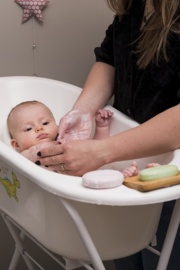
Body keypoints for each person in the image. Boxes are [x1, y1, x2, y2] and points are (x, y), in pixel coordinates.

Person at [30, 0, 180, 269]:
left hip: (170, 175)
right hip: (125, 167)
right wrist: (84, 111)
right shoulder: (134, 6)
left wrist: (101, 152)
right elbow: (109, 59)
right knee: (124, 254)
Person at [8, 100, 154, 177]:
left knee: (105, 171)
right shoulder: (25, 154)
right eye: (28, 128)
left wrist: (101, 127)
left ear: (59, 125)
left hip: (89, 177)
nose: (39, 128)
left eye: (45, 123)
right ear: (16, 144)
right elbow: (25, 166)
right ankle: (127, 177)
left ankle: (132, 175)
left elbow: (96, 148)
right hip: (70, 187)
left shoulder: (68, 140)